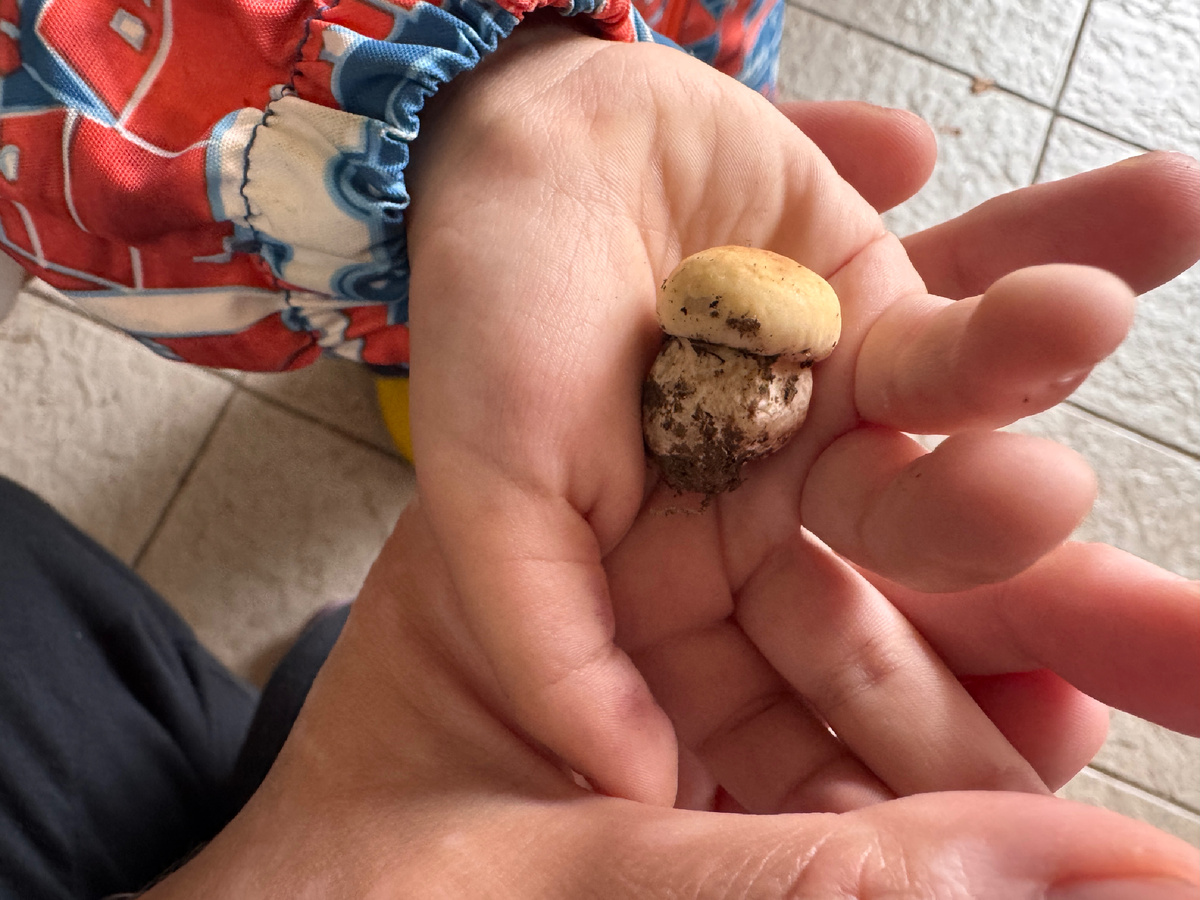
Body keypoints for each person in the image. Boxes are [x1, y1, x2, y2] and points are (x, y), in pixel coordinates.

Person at [2, 0, 1199, 813]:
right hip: (224, 155)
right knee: (450, 306)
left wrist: (530, 84)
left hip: (643, 51)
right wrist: (486, 116)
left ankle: (424, 331)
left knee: (494, 283)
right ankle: (415, 339)